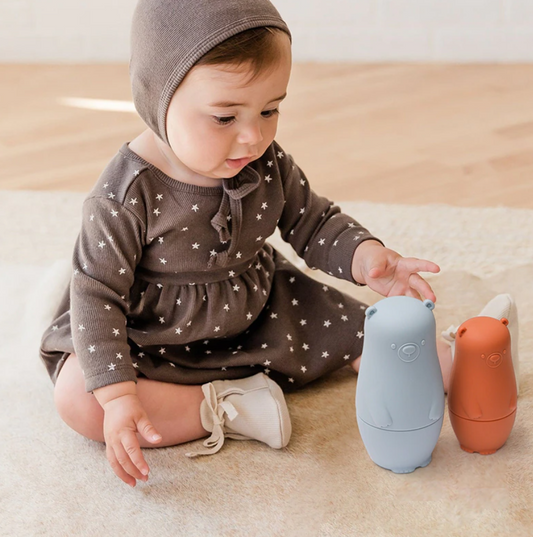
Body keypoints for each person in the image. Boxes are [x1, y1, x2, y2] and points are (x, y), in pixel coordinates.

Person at [39, 0, 515, 489]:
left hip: (261, 309)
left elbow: (312, 220)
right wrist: (119, 398)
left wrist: (366, 257)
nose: (253, 136)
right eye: (224, 117)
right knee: (80, 397)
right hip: (150, 335)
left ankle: (475, 358)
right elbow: (97, 294)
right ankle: (228, 407)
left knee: (371, 334)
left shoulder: (264, 161)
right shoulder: (122, 196)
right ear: (156, 99)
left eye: (270, 109)